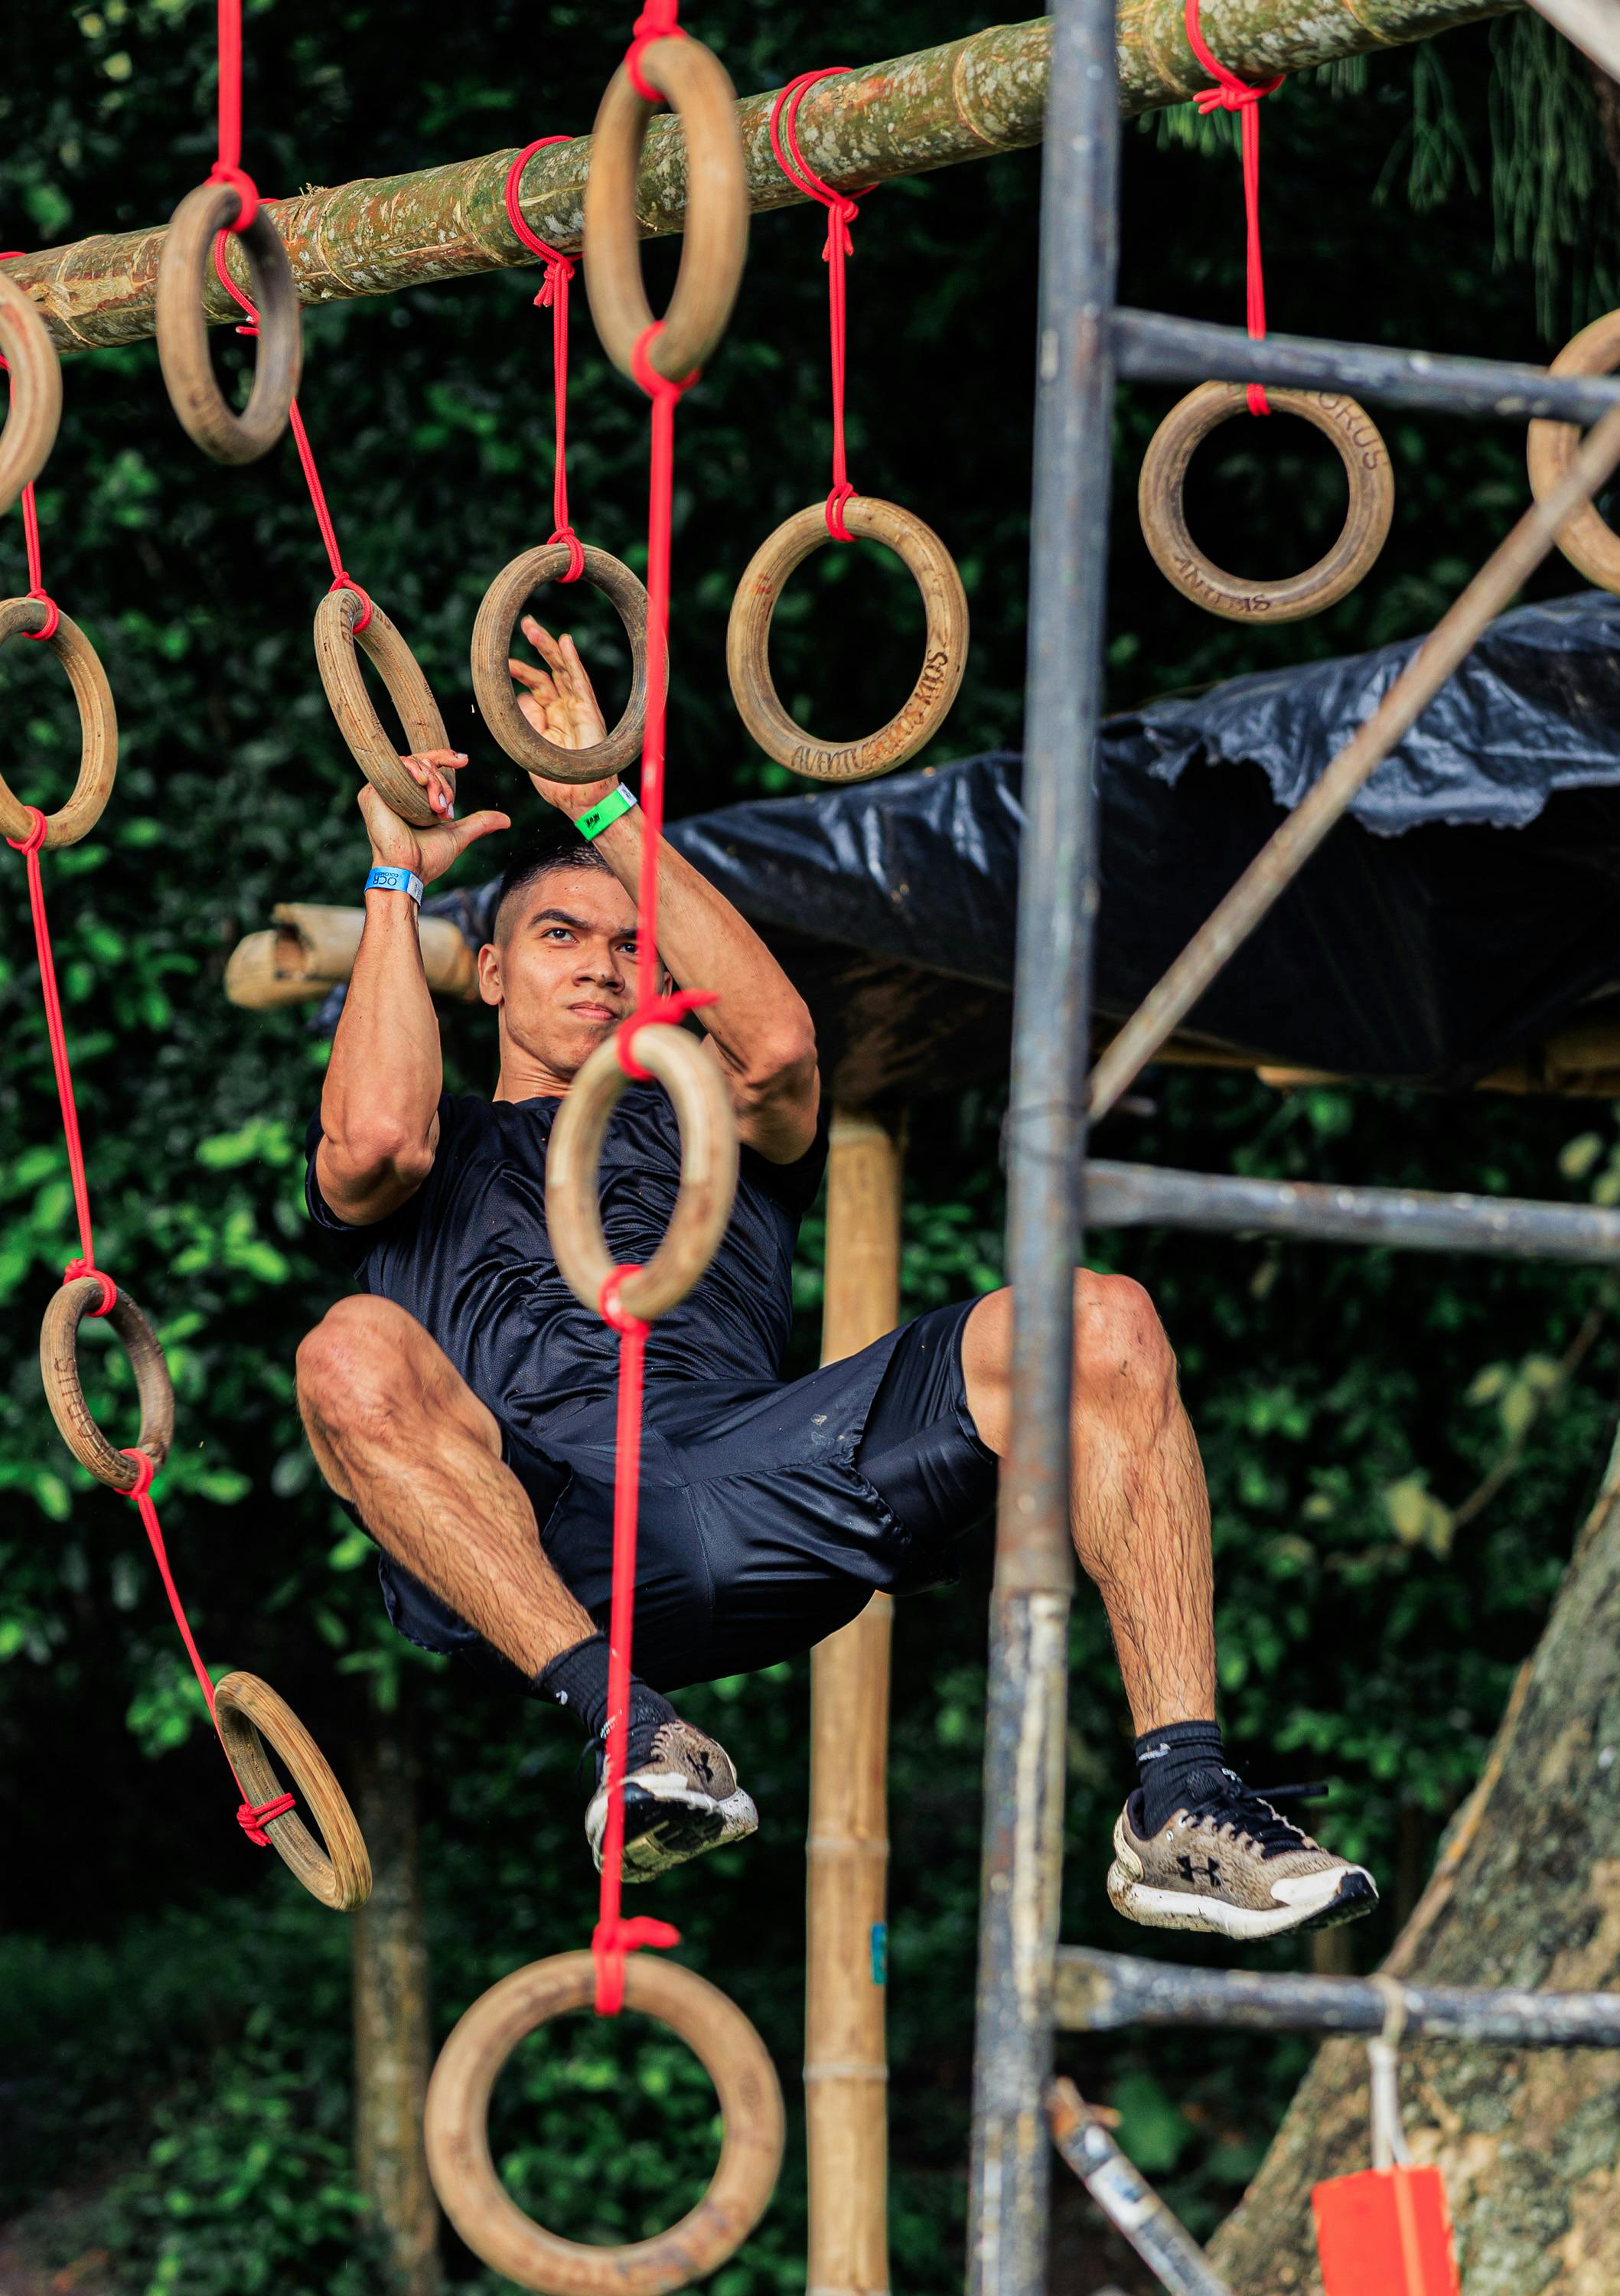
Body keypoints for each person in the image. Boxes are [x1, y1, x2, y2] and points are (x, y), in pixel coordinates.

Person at [295, 618, 1377, 1942]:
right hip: (543, 1536)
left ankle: (1182, 1800)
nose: (600, 961)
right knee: (348, 1348)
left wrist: (600, 799)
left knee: (1099, 1321)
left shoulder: (708, 1119)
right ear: (496, 970)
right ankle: (629, 1736)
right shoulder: (435, 1151)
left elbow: (777, 1043)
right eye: (562, 934)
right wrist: (396, 889)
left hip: (763, 1475)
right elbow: (374, 1142)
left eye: (633, 947)